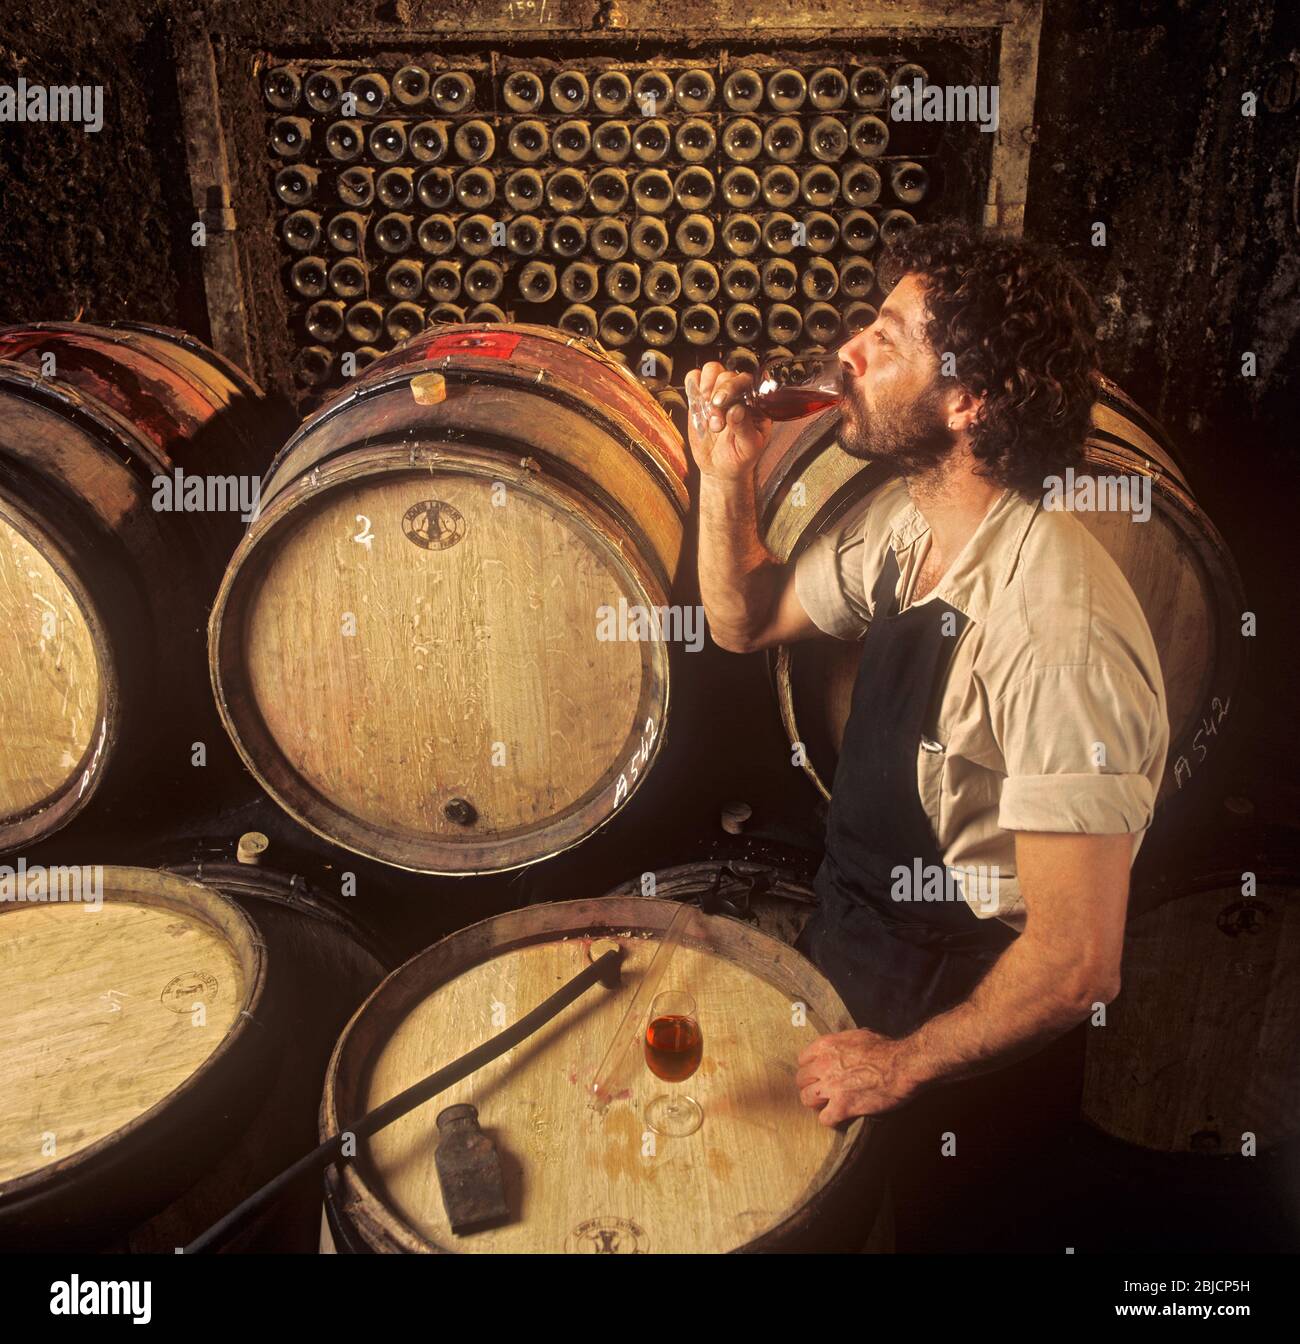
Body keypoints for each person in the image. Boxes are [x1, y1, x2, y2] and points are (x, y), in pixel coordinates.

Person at [687, 221, 1170, 1250]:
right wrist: (726, 472)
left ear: (968, 400)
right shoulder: (914, 528)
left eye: (888, 337)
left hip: (963, 1016)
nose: (849, 351)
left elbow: (1078, 962)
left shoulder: (1056, 633)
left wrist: (905, 1063)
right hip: (856, 945)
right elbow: (743, 621)